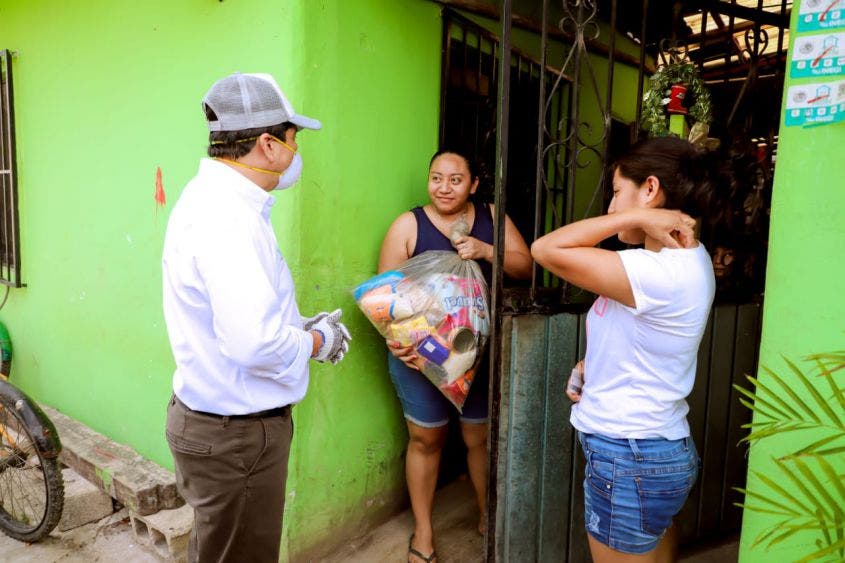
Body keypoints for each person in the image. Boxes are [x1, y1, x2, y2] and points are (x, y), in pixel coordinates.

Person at [161, 72, 351, 563]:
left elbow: (246, 319)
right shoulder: (228, 219)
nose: (295, 152)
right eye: (294, 138)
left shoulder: (218, 203)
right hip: (238, 436)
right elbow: (253, 345)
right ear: (268, 145)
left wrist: (301, 327)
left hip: (215, 422)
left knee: (218, 548)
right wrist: (318, 342)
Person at [531, 136, 733, 562]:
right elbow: (645, 339)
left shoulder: (659, 271)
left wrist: (642, 215)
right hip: (651, 448)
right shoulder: (682, 262)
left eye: (617, 192)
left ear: (650, 189)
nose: (610, 208)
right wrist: (595, 365)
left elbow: (545, 249)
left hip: (631, 455)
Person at [378, 149, 532, 563]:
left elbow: (525, 267)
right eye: (436, 178)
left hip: (474, 354)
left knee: (477, 437)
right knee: (426, 439)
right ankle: (424, 533)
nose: (444, 187)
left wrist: (485, 250)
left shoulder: (491, 217)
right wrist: (398, 340)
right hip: (421, 357)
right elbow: (384, 297)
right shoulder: (408, 225)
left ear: (474, 184)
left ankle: (487, 515)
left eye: (455, 179)